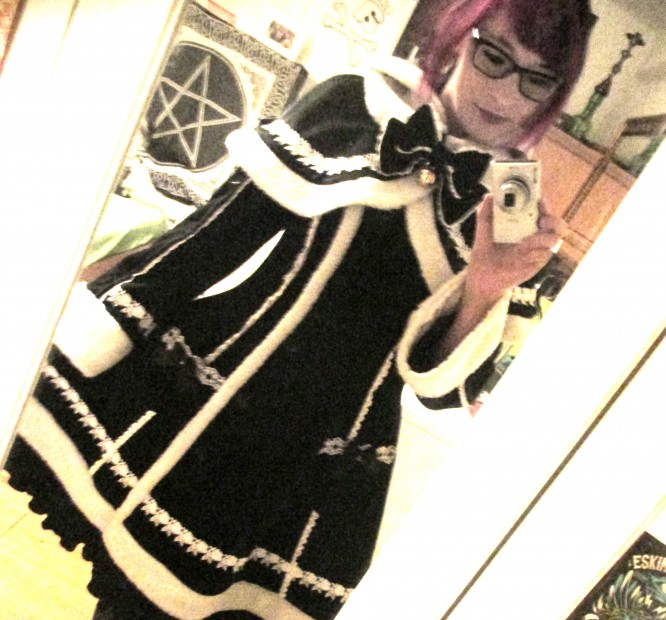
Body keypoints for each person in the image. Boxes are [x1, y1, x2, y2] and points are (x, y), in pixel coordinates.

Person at [6, 0, 595, 618]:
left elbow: (445, 394)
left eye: (538, 79)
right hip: (215, 399)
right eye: (494, 54)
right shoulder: (353, 106)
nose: (506, 92)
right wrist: (81, 333)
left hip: (323, 465)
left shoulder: (513, 206)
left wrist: (486, 285)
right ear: (457, 38)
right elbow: (212, 239)